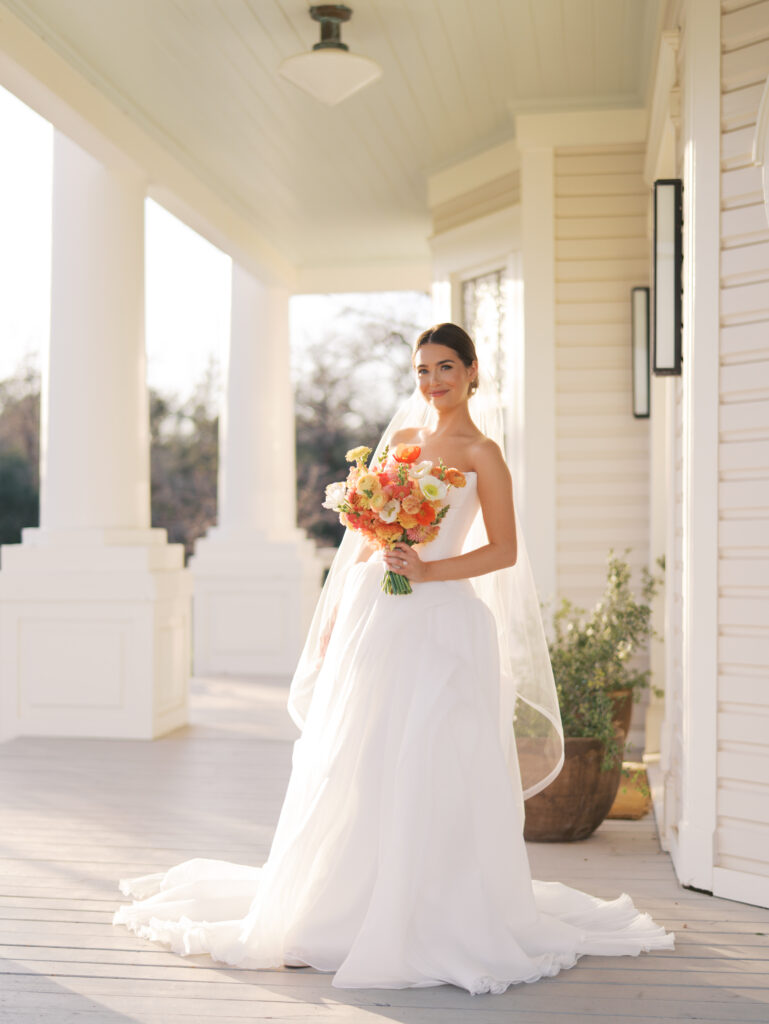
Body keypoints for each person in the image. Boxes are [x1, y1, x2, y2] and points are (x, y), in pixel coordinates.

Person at [114, 322, 674, 994]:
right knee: (360, 754)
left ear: (471, 372)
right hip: (378, 613)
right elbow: (361, 539)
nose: (432, 383)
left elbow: (503, 552)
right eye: (421, 371)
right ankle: (336, 908)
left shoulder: (483, 454)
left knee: (435, 760)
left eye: (444, 368)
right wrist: (338, 618)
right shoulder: (403, 443)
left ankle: (432, 910)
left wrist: (429, 572)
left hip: (443, 623)